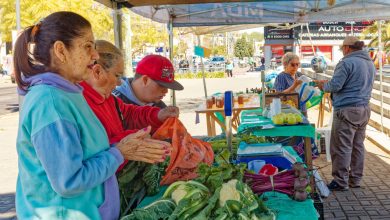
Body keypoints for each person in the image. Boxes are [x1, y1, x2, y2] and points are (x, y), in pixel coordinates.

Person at [13, 11, 170, 220]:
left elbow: (86, 155)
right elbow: (69, 181)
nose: (95, 55)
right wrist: (119, 153)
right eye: (87, 46)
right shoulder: (50, 103)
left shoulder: (67, 94)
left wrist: (123, 149)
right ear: (61, 51)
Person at [316, 36, 375, 191]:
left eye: (342, 48)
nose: (342, 51)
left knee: (342, 147)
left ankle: (341, 181)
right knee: (358, 146)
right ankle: (355, 179)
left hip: (347, 110)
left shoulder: (346, 62)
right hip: (364, 109)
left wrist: (323, 85)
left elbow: (335, 85)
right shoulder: (369, 63)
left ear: (348, 48)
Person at [113, 54, 184, 108]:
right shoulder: (114, 102)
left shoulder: (159, 107)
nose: (166, 91)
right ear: (145, 80)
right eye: (161, 85)